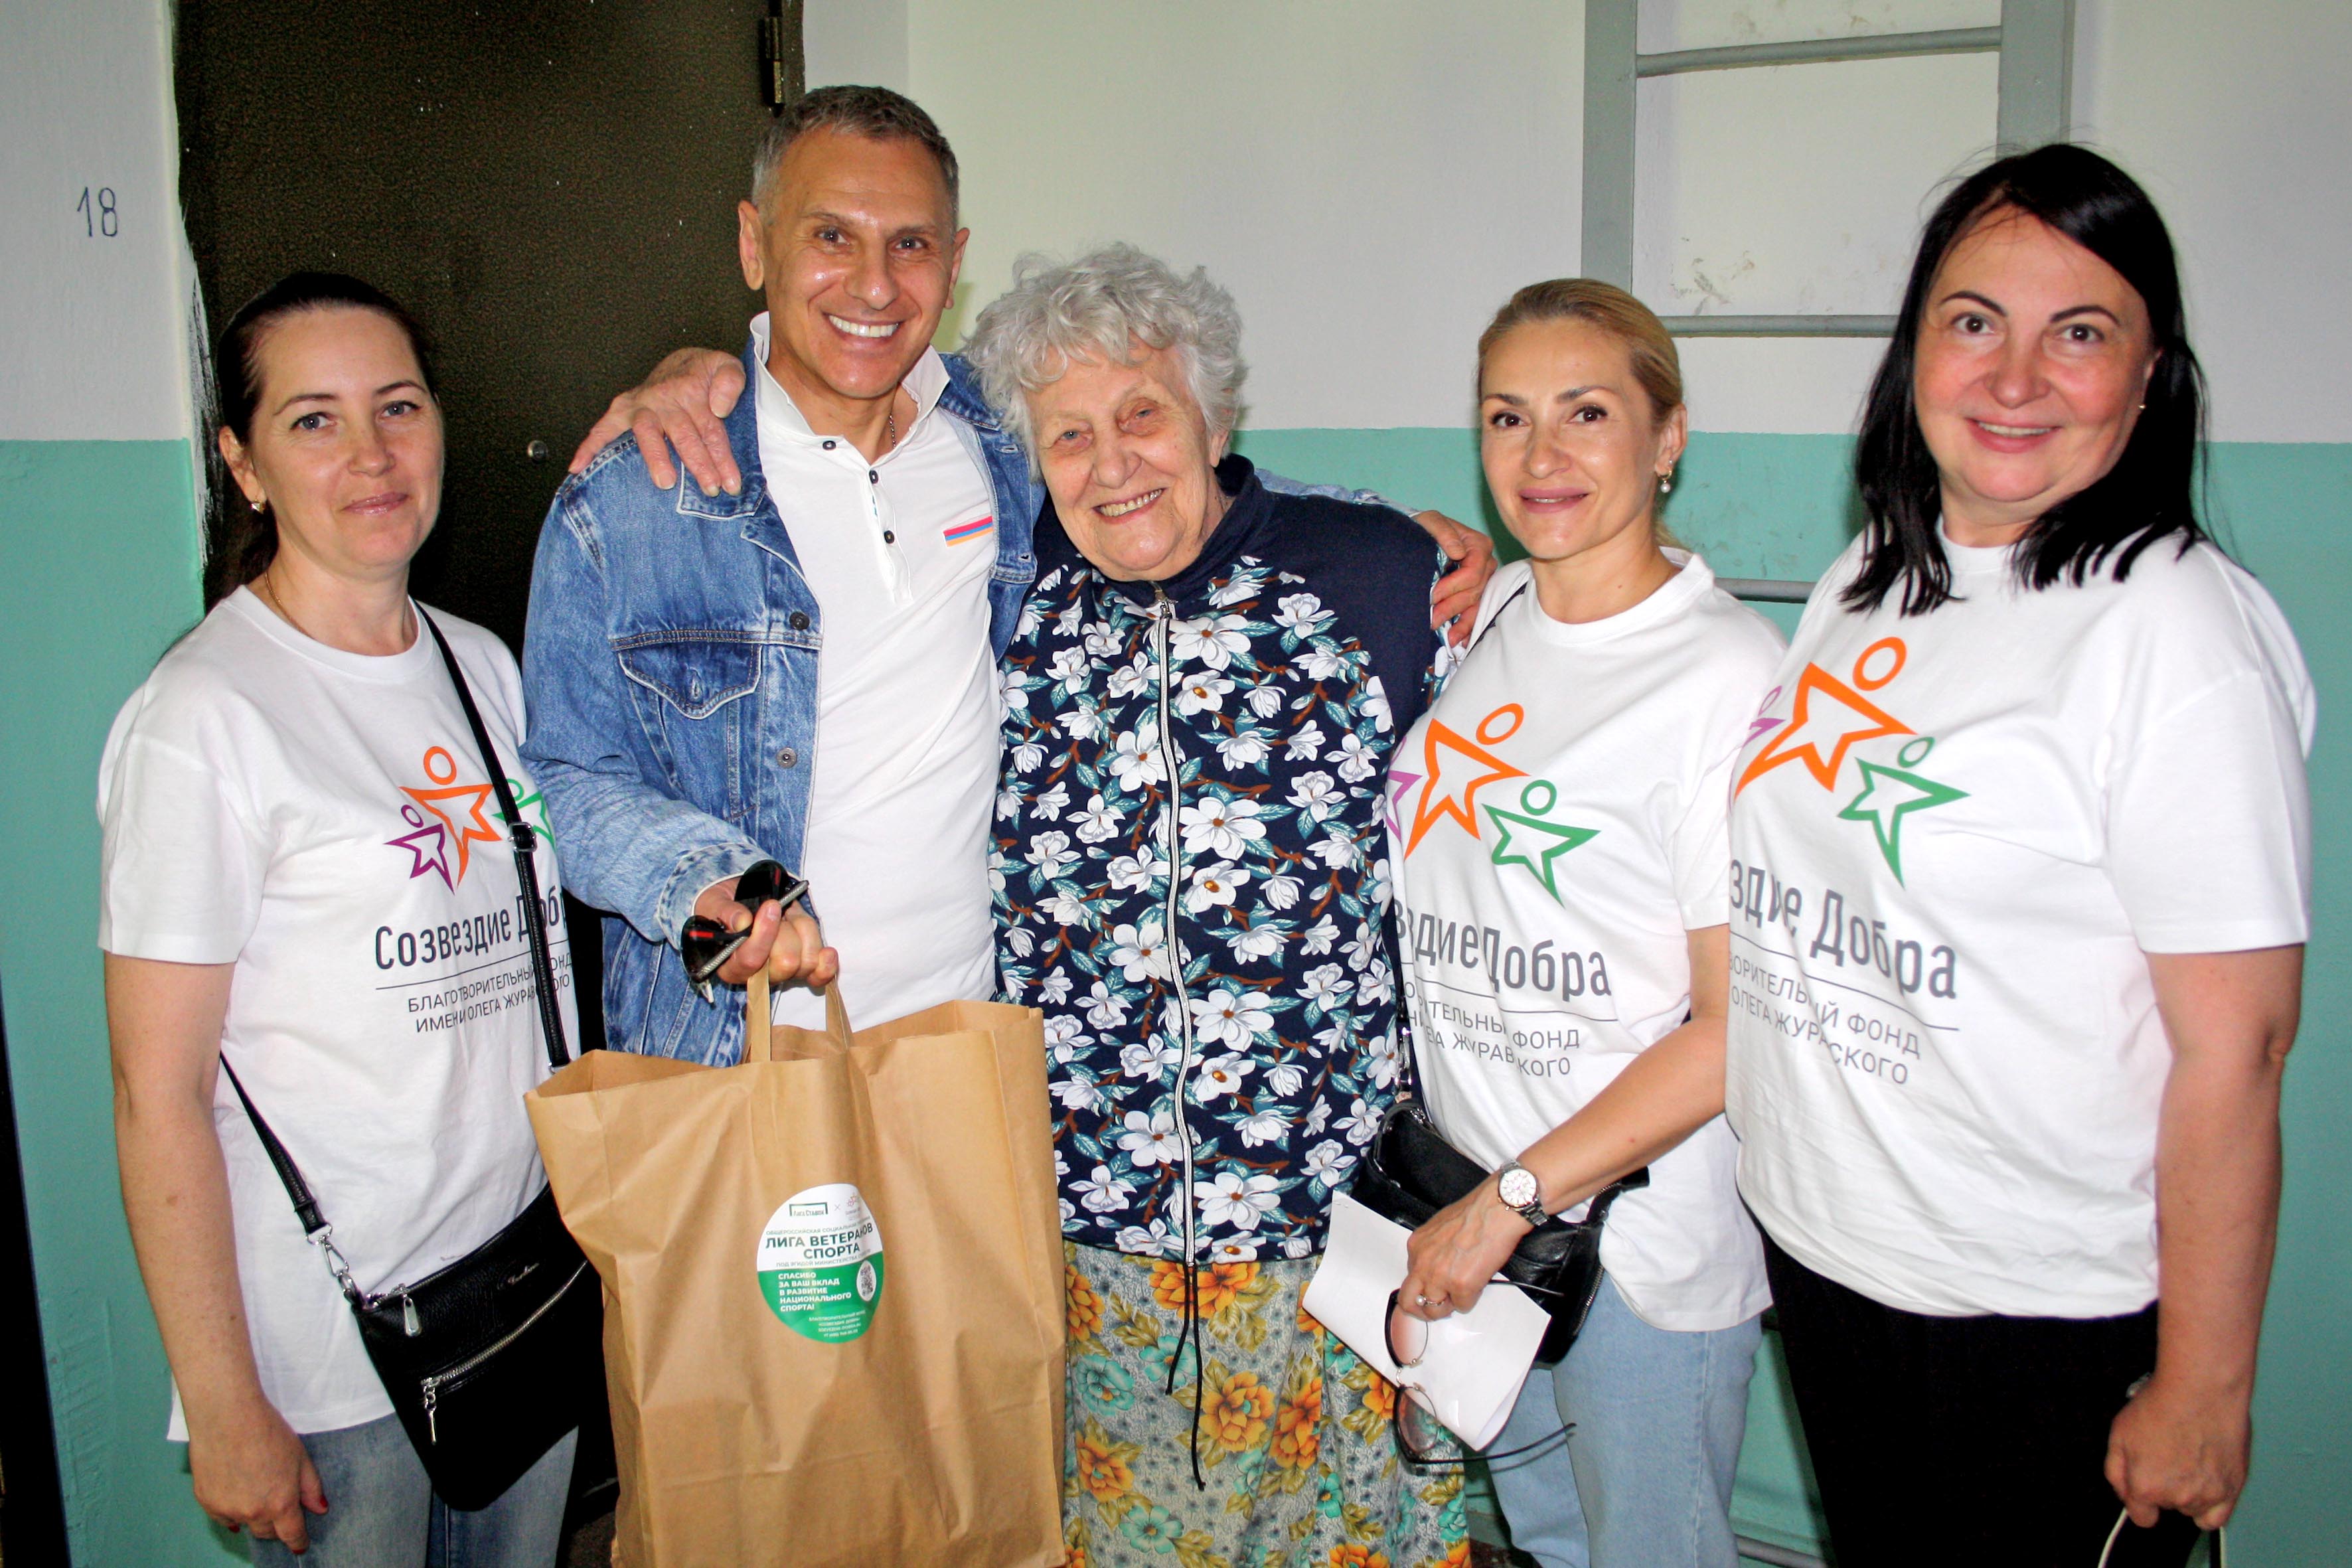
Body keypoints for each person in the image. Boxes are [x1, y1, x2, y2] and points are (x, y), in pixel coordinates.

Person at [527, 85, 1489, 1065]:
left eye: (910, 244)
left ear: (954, 265)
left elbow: (1171, 475)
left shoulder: (995, 434)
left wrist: (1391, 531)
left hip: (969, 1057)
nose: (873, 286)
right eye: (831, 237)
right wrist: (702, 880)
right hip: (730, 1057)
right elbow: (566, 772)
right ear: (752, 243)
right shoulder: (633, 499)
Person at [1724, 144, 2312, 1567]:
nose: (2014, 378)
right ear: (1914, 346)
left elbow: (2236, 1050)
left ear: (2150, 375)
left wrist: (2202, 1384)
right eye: (1974, 320)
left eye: (2080, 333)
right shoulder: (1874, 573)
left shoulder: (2174, 634)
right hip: (1833, 1251)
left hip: (2032, 1314)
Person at [967, 244, 1466, 1568]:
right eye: (1068, 434)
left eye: (1141, 412)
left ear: (1213, 417)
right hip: (1096, 1223)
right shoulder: (1012, 605)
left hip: (1337, 1204)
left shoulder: (1372, 576)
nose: (1111, 463)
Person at [100, 273, 579, 1565]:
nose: (370, 453)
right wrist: (222, 1402)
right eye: (313, 419)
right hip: (333, 1360)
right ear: (242, 465)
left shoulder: (480, 663)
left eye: (397, 406)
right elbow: (156, 1093)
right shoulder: (203, 719)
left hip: (521, 1284)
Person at [1387, 279, 1782, 1567]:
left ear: (1668, 436)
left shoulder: (1724, 679)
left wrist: (1512, 1198)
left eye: (1586, 412)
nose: (1540, 453)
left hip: (1629, 1253)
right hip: (1480, 1217)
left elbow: (1734, 1028)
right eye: (1507, 417)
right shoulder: (1496, 612)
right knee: (1549, 1544)